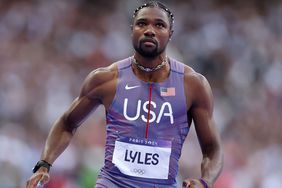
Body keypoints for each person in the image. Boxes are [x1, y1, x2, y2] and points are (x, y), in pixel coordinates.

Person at [26, 1, 223, 188]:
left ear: (170, 34)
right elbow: (67, 123)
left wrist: (205, 182)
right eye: (142, 23)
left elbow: (212, 149)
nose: (149, 30)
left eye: (159, 25)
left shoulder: (192, 84)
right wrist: (44, 164)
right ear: (132, 30)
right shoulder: (106, 79)